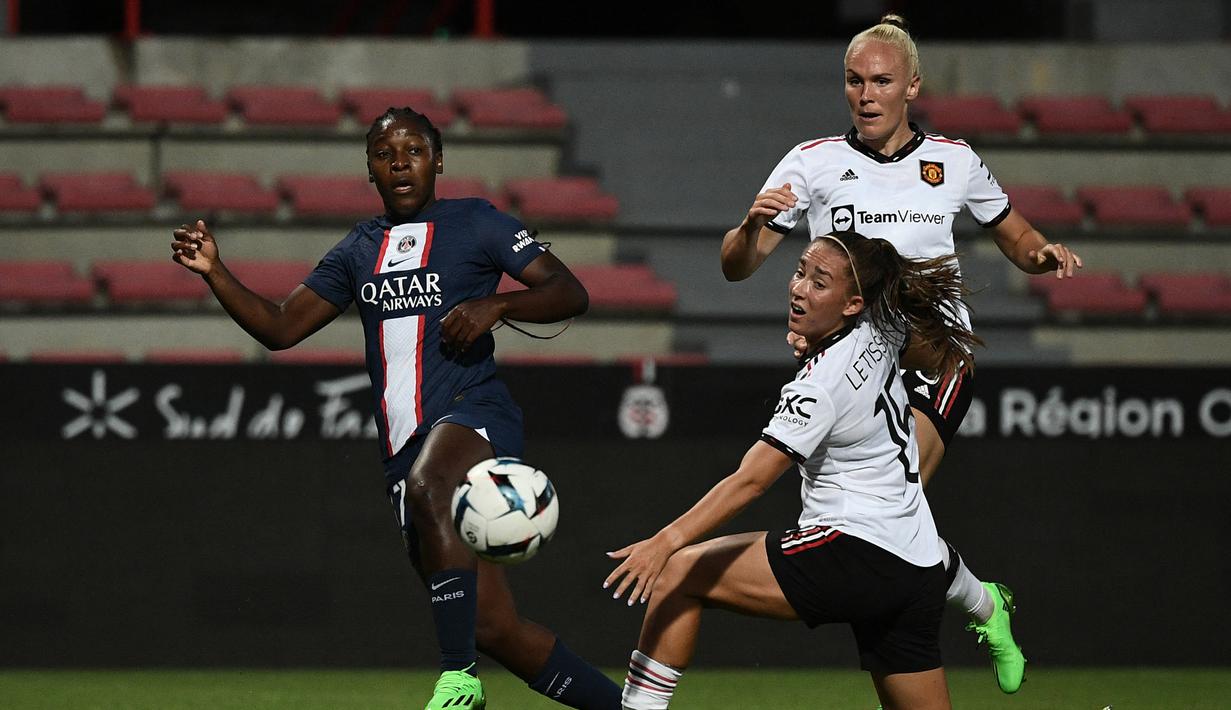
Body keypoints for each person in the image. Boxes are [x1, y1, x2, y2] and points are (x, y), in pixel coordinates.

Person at [171, 107, 621, 710]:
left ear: (437, 160)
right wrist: (215, 271)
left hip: (473, 412)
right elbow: (280, 328)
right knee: (494, 630)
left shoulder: (477, 222)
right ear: (370, 171)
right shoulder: (359, 249)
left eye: (412, 150)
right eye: (385, 155)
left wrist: (499, 307)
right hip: (401, 454)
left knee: (433, 484)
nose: (400, 163)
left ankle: (459, 681)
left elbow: (570, 291)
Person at [718, 14, 1081, 693]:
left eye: (881, 81)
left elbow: (1013, 232)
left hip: (933, 357)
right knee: (886, 526)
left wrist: (1042, 254)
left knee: (892, 505)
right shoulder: (813, 162)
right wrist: (748, 227)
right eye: (854, 80)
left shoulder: (954, 160)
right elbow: (737, 266)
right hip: (853, 369)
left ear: (911, 85)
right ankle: (981, 603)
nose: (866, 94)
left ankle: (969, 608)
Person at [608, 232, 979, 710]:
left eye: (819, 283)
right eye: (801, 271)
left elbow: (751, 480)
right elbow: (946, 358)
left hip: (854, 552)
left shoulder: (818, 386)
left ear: (852, 303)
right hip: (917, 565)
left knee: (681, 572)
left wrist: (664, 542)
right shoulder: (882, 327)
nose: (800, 288)